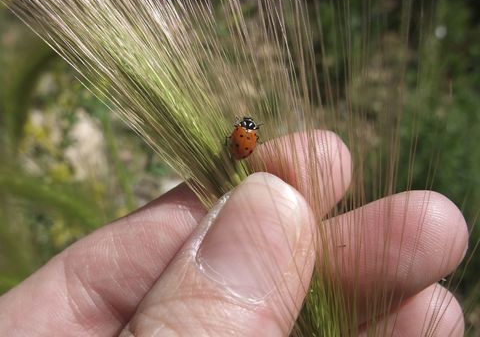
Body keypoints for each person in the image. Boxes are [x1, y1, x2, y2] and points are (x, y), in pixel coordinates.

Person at [0, 131, 467, 336]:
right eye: (245, 135)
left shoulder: (242, 140)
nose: (245, 137)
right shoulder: (247, 140)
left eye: (246, 135)